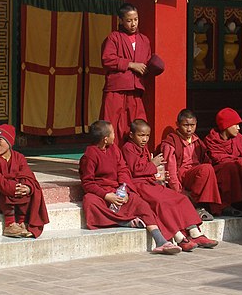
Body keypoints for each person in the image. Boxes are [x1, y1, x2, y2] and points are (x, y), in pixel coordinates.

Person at [79, 120, 181, 255]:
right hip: (102, 193)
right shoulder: (90, 155)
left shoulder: (114, 149)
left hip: (118, 189)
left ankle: (160, 240)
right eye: (113, 133)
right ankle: (125, 222)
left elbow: (123, 170)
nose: (115, 136)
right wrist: (106, 195)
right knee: (89, 201)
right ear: (105, 139)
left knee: (141, 204)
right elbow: (88, 183)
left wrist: (124, 189)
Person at [122, 119, 218, 252]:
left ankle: (195, 233)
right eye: (141, 135)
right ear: (132, 135)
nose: (144, 139)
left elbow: (147, 169)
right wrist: (153, 164)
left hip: (151, 183)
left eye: (147, 136)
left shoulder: (143, 148)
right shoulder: (128, 148)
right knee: (162, 203)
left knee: (180, 198)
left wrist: (156, 173)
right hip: (140, 186)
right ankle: (180, 238)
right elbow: (135, 170)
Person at [0, 125, 49, 238]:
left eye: (0, 140)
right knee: (4, 188)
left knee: (30, 188)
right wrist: (13, 188)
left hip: (12, 194)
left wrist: (27, 188)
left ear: (9, 142)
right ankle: (10, 225)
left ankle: (21, 222)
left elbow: (29, 176)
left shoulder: (19, 157)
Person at [100, 3, 156, 146]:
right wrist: (131, 64)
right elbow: (107, 59)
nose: (133, 24)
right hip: (116, 89)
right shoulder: (114, 38)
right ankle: (110, 157)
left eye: (136, 19)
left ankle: (135, 159)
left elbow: (147, 62)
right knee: (111, 124)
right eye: (129, 20)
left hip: (135, 90)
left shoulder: (144, 40)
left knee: (137, 123)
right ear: (121, 20)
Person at [160, 109, 223, 220]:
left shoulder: (197, 141)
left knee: (212, 169)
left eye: (192, 125)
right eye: (185, 125)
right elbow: (170, 169)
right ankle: (195, 204)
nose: (189, 129)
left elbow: (206, 159)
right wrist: (179, 191)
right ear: (177, 124)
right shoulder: (171, 142)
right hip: (183, 176)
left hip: (198, 176)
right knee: (206, 169)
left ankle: (208, 205)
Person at [203, 108, 242, 217]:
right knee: (229, 167)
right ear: (226, 126)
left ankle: (240, 202)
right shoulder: (211, 140)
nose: (239, 128)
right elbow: (216, 158)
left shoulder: (239, 139)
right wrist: (237, 160)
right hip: (219, 173)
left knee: (240, 165)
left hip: (237, 172)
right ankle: (229, 205)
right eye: (235, 125)